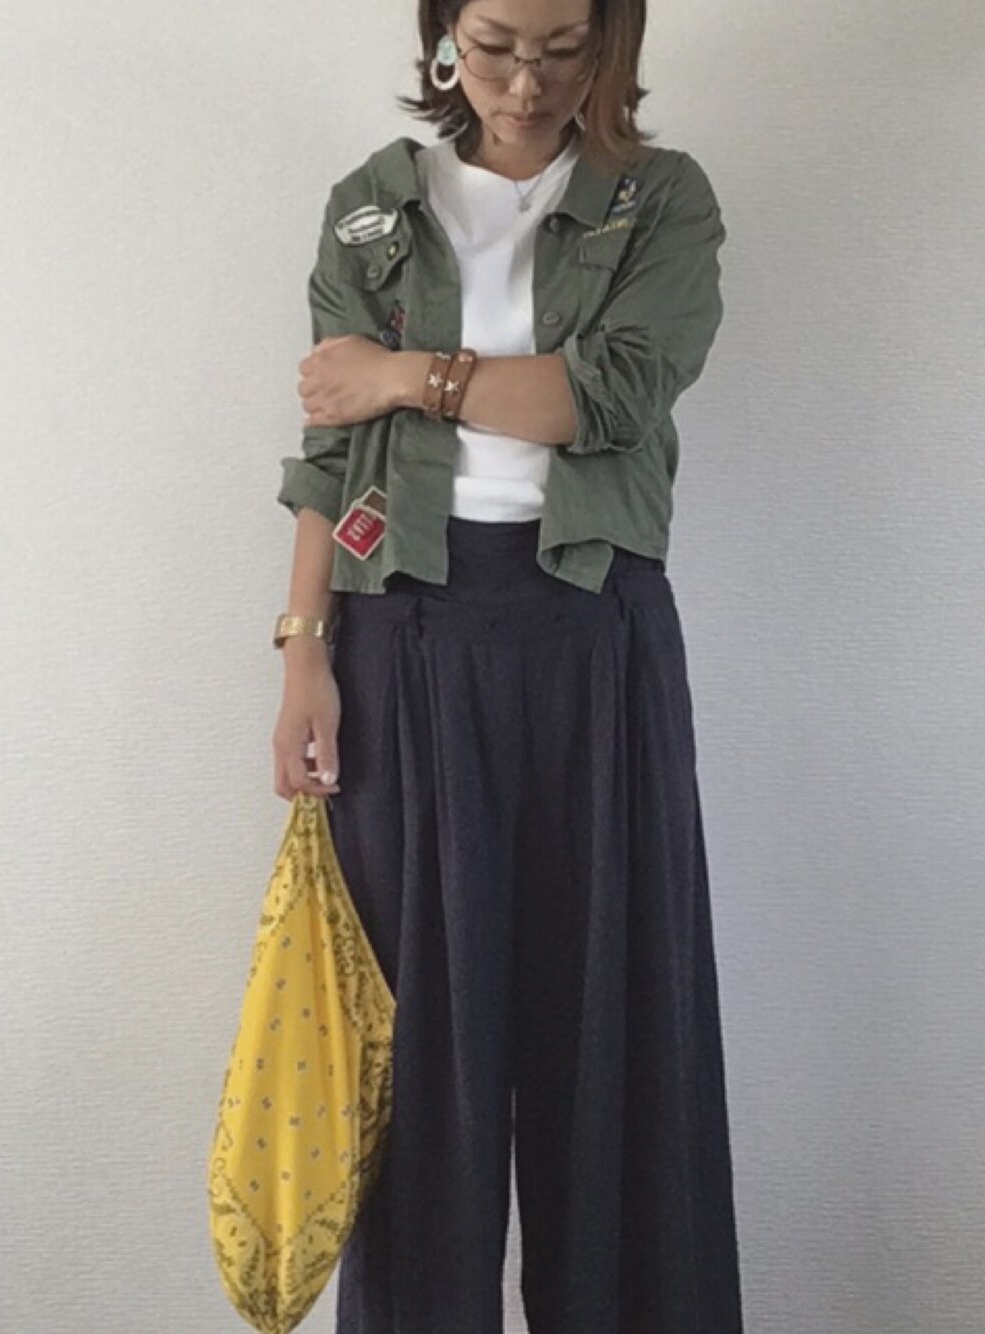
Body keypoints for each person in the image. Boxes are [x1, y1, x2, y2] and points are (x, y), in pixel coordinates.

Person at [271, 1, 744, 1330]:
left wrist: (404, 375)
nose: (526, 80)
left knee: (614, 1039)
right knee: (419, 1058)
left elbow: (612, 395)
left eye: (562, 46)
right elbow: (329, 447)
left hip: (596, 636)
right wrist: (305, 652)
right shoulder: (373, 206)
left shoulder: (661, 200)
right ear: (442, 33)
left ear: (611, 38)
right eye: (494, 44)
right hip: (403, 640)